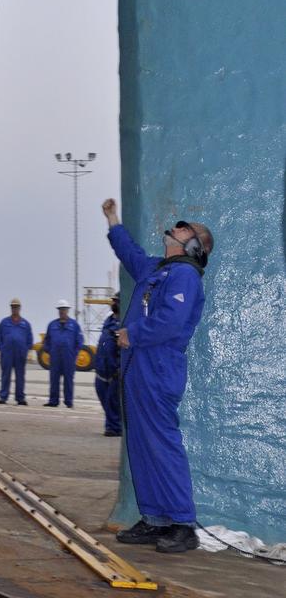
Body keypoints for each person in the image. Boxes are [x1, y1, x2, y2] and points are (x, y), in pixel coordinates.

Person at [102, 197, 213, 555]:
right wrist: (113, 219)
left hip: (158, 365)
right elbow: (130, 252)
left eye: (185, 228)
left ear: (193, 244)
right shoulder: (158, 269)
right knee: (141, 444)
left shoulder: (185, 275)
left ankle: (183, 523)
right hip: (137, 366)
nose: (176, 227)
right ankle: (155, 518)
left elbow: (171, 322)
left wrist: (133, 333)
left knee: (162, 444)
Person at [43, 301, 83, 408]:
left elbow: (79, 342)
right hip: (55, 358)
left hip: (69, 358)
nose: (62, 311)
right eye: (60, 309)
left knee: (68, 381)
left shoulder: (74, 325)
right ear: (58, 311)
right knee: (54, 380)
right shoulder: (52, 325)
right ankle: (53, 401)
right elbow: (46, 341)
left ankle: (68, 402)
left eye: (64, 309)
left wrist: (74, 354)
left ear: (68, 310)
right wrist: (50, 351)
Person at [94, 293, 122, 436]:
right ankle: (112, 425)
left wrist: (118, 367)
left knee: (113, 401)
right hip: (101, 369)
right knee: (104, 397)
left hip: (114, 372)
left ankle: (114, 428)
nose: (114, 303)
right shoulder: (108, 321)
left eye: (116, 301)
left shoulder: (125, 323)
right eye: (113, 301)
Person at [0, 299, 33, 405]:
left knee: (20, 376)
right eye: (13, 307)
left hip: (20, 354)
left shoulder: (25, 324)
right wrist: (2, 349)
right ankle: (3, 397)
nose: (14, 309)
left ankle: (20, 398)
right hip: (7, 354)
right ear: (10, 308)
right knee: (5, 375)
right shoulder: (4, 323)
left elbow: (29, 340)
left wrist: (25, 350)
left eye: (16, 307)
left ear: (20, 308)